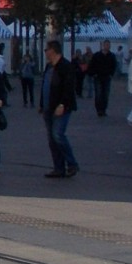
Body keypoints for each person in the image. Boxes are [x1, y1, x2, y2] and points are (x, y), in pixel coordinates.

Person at [39, 39, 79, 179]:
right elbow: (45, 86)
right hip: (48, 107)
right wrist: (42, 104)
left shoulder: (65, 66)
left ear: (52, 51)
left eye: (46, 50)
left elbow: (68, 88)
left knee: (58, 135)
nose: (45, 52)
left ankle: (72, 163)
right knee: (52, 139)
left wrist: (62, 104)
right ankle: (58, 167)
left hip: (61, 107)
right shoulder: (49, 66)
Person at [87, 39, 117, 116]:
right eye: (106, 45)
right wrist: (93, 74)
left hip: (107, 77)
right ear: (103, 45)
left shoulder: (112, 56)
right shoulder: (97, 55)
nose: (108, 46)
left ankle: (103, 109)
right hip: (98, 77)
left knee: (105, 94)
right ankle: (99, 110)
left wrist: (111, 74)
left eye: (109, 45)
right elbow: (92, 65)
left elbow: (114, 66)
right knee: (98, 94)